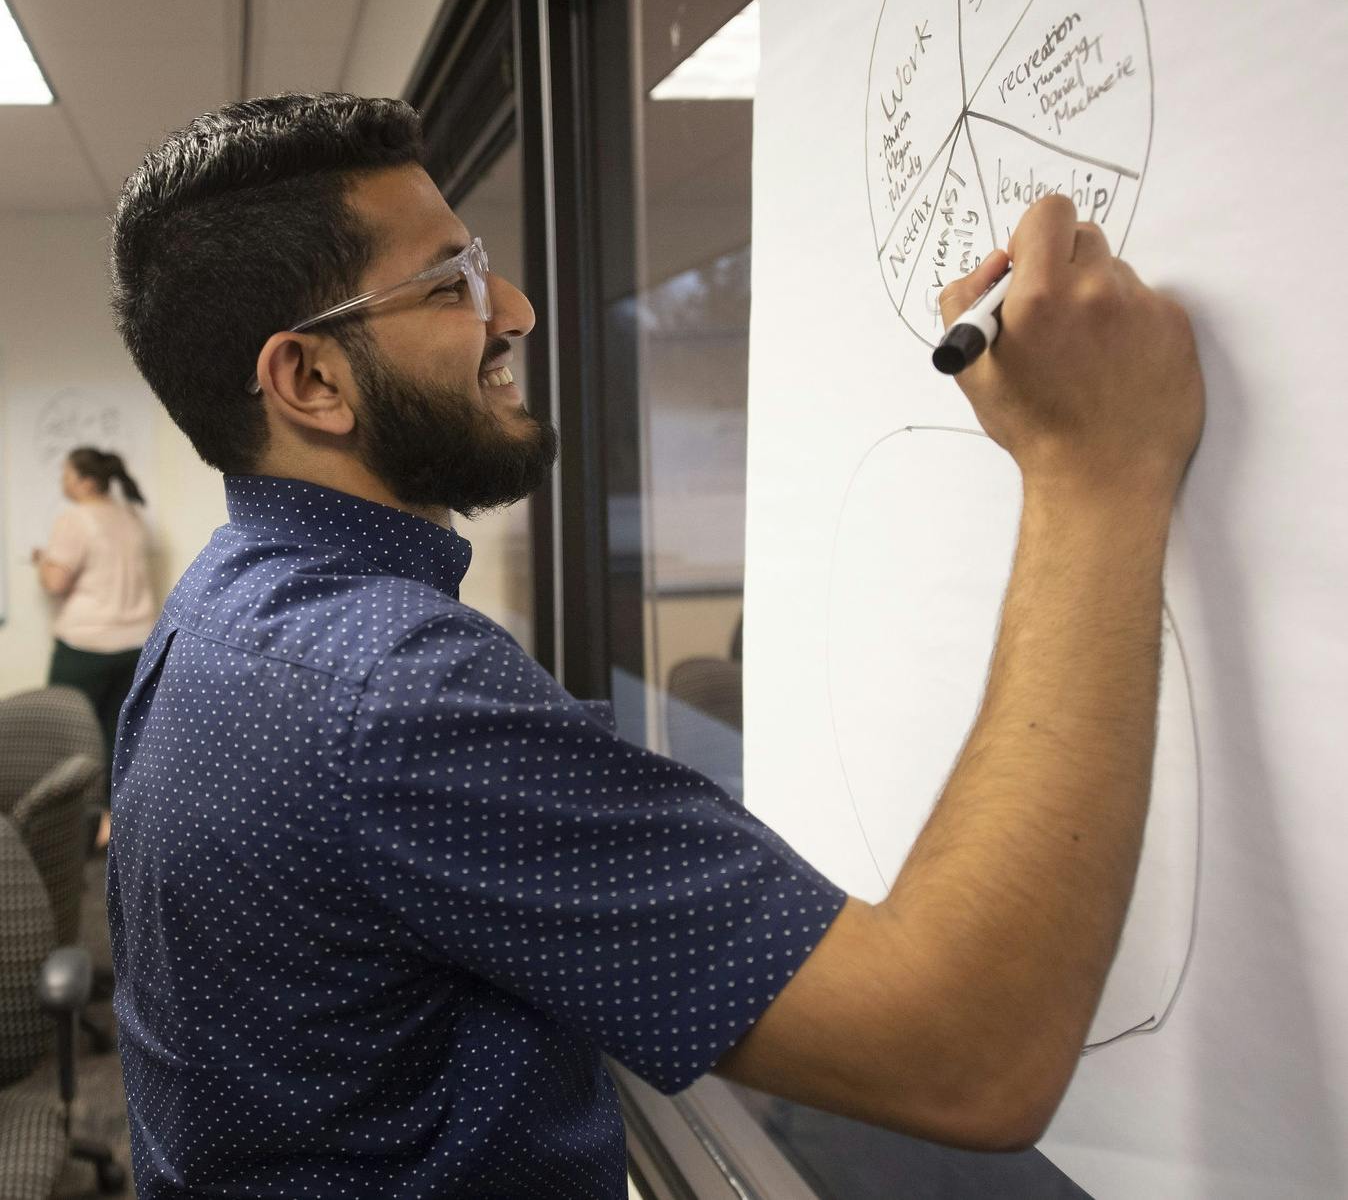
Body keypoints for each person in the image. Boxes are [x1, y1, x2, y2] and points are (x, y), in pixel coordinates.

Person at [106, 94, 1202, 1200]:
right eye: (449, 286)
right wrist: (1094, 469)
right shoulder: (389, 692)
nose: (516, 311)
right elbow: (967, 1053)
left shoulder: (219, 608)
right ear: (310, 381)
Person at [33, 446, 155, 848]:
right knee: (116, 736)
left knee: (62, 738)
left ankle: (62, 835)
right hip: (135, 645)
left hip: (86, 648)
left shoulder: (76, 518)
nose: (62, 482)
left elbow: (55, 583)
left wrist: (44, 562)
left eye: (66, 475)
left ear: (86, 481)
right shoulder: (129, 516)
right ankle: (110, 824)